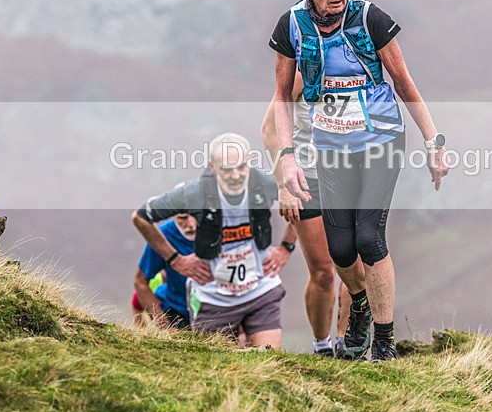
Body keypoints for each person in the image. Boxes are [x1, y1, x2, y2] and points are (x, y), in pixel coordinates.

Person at [271, 0, 448, 362]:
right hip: (331, 145)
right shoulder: (291, 25)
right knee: (340, 249)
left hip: (381, 139)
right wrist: (287, 158)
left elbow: (404, 83)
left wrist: (434, 142)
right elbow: (282, 98)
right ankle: (361, 304)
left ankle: (384, 341)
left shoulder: (370, 18)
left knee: (369, 238)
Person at [131, 133, 292, 348]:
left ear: (250, 163)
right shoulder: (193, 193)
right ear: (212, 167)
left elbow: (302, 198)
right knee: (220, 365)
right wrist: (176, 260)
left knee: (269, 358)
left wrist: (286, 247)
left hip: (260, 290)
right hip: (214, 300)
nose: (235, 175)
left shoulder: (265, 184)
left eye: (241, 167)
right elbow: (141, 217)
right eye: (227, 169)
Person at [262, 78, 353, 357]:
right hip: (307, 179)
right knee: (323, 271)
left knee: (355, 266)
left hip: (350, 177)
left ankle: (348, 344)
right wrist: (283, 185)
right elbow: (269, 131)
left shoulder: (363, 65)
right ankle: (322, 346)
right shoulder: (303, 70)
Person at [132, 213, 197, 329]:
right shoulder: (163, 235)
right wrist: (164, 325)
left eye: (197, 215)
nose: (191, 224)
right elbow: (139, 285)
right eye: (182, 218)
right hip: (178, 312)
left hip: (219, 310)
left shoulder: (222, 226)